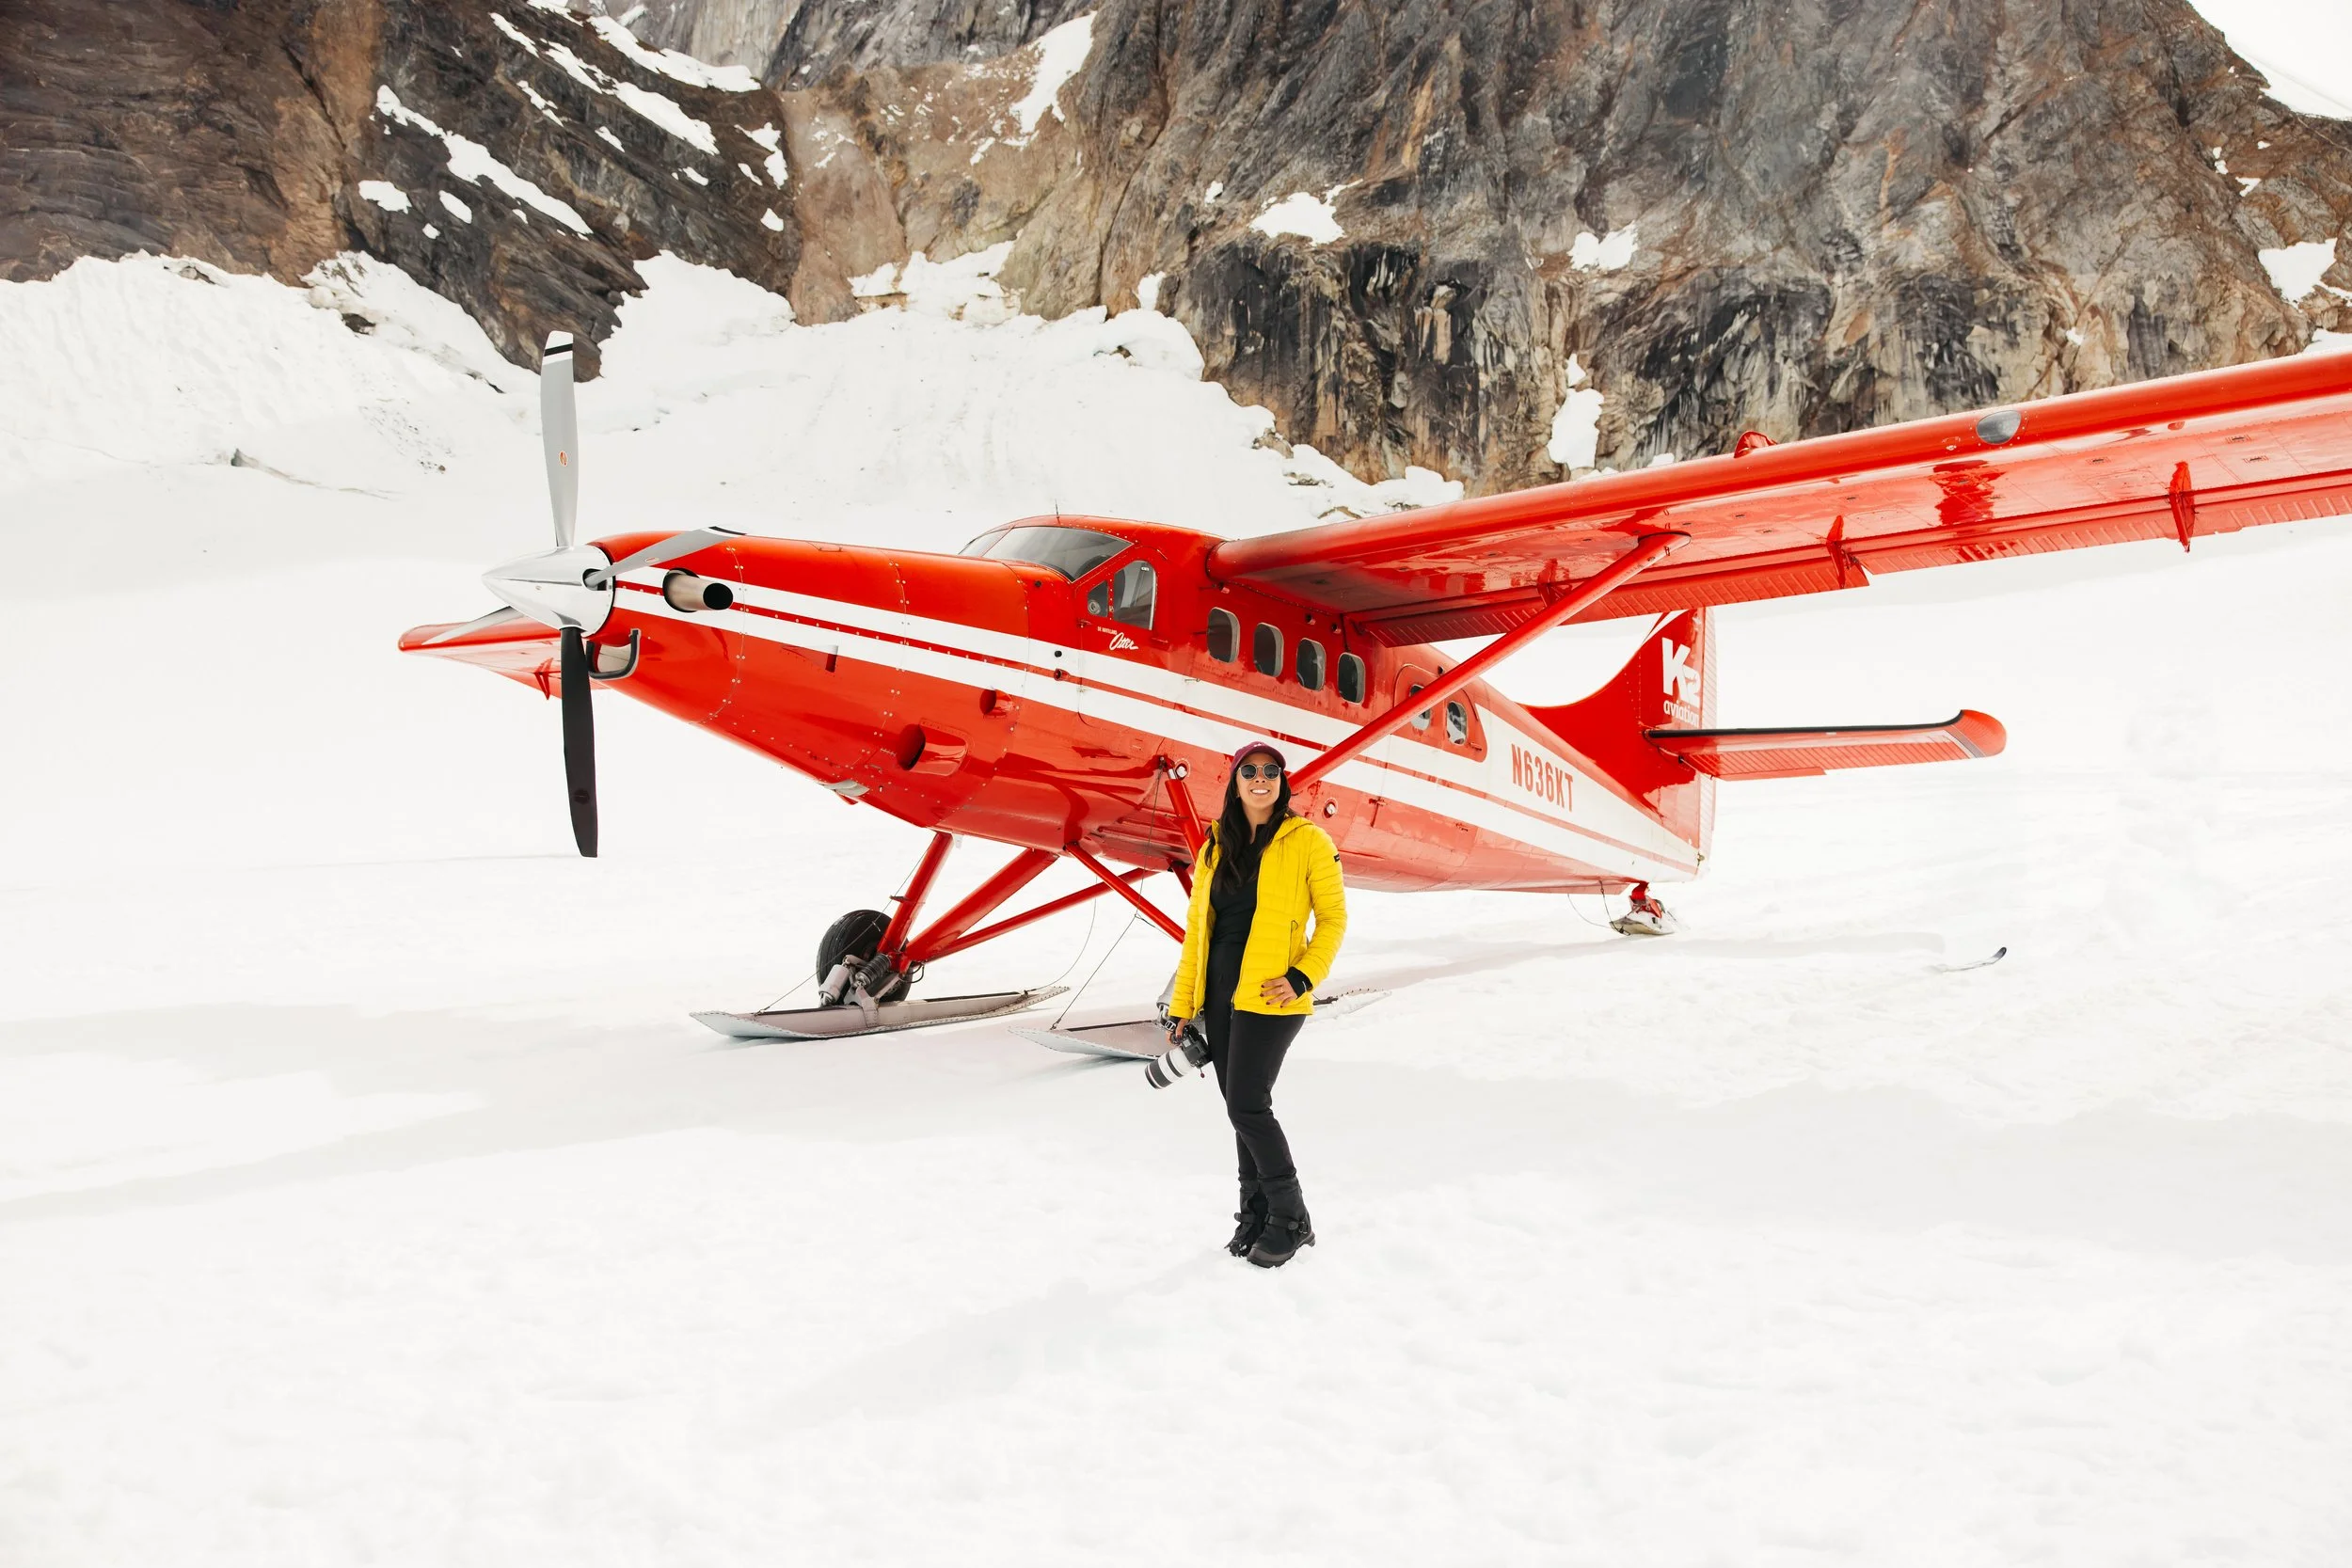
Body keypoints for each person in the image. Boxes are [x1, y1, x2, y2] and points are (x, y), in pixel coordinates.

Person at [1166, 741, 1347, 1268]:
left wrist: (1302, 976)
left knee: (1247, 1103)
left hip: (1274, 992)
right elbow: (1197, 932)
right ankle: (1255, 1214)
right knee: (1237, 1108)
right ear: (1235, 780)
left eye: (1271, 771)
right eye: (1251, 771)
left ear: (1282, 781)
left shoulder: (1309, 841)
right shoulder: (1215, 845)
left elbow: (1333, 920)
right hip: (1221, 988)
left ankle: (1293, 1219)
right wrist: (1184, 1005)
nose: (1260, 779)